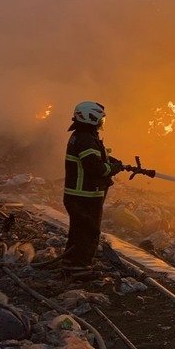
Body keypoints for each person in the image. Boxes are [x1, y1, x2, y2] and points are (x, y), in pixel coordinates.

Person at [62, 101, 123, 276]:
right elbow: (94, 167)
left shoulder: (82, 136)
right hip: (85, 195)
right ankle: (79, 268)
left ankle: (70, 263)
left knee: (78, 230)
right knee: (89, 231)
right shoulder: (86, 139)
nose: (102, 122)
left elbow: (94, 158)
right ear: (91, 117)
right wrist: (112, 169)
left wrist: (110, 160)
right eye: (100, 118)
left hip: (78, 194)